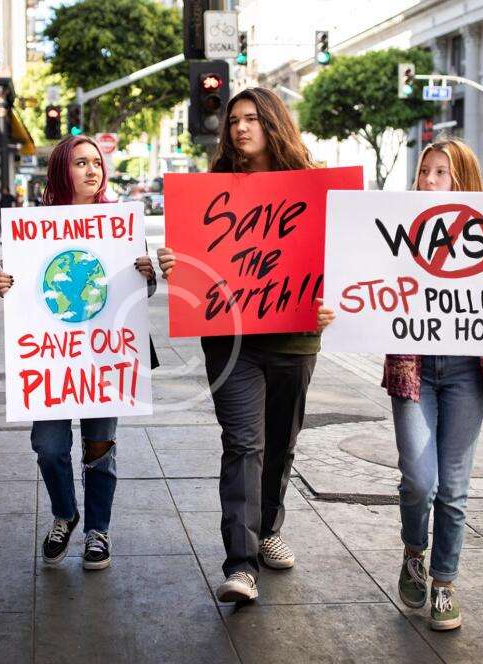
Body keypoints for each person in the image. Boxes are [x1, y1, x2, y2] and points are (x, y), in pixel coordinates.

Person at [316, 137, 483, 630]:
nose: (430, 180)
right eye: (425, 171)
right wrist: (335, 313)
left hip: (467, 373)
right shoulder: (395, 230)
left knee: (454, 487)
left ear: (463, 180)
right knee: (420, 480)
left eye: (441, 172)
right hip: (414, 368)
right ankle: (413, 552)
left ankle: (444, 583)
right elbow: (361, 289)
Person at [157, 87, 322, 603]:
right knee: (243, 444)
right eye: (233, 121)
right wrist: (174, 263)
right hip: (232, 343)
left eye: (251, 118)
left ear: (273, 124)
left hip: (294, 339)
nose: (241, 128)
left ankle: (268, 529)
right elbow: (195, 262)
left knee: (280, 443)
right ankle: (241, 564)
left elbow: (339, 254)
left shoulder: (312, 186)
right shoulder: (210, 191)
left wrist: (333, 298)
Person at [0, 134, 157, 570]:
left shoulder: (121, 224)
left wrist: (147, 275)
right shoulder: (34, 228)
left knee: (99, 446)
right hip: (52, 356)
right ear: (60, 170)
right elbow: (23, 288)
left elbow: (139, 293)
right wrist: (5, 284)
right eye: (80, 162)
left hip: (104, 356)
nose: (92, 170)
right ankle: (65, 514)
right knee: (48, 446)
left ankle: (97, 531)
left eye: (96, 162)